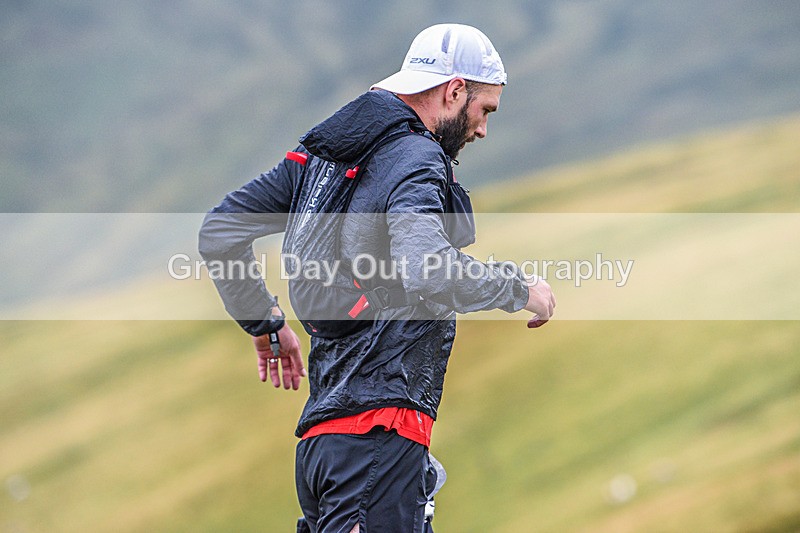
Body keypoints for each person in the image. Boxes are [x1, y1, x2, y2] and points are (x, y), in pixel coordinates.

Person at [198, 23, 555, 533]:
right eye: (484, 110)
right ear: (455, 91)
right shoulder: (415, 157)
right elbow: (428, 267)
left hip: (324, 449)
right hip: (378, 439)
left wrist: (265, 321)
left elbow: (220, 232)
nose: (482, 129)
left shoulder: (319, 157)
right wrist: (519, 288)